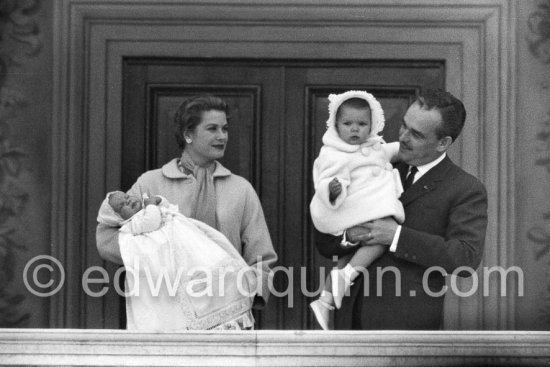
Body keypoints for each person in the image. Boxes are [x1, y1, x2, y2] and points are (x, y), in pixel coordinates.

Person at [96, 95, 278, 330]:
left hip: (226, 319)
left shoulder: (240, 189)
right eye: (212, 129)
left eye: (225, 129)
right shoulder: (150, 185)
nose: (222, 136)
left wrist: (246, 294)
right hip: (166, 314)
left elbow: (262, 257)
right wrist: (157, 255)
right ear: (187, 134)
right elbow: (106, 238)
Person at [315, 89, 488, 330]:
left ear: (443, 143)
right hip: (348, 319)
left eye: (416, 134)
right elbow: (323, 243)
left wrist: (396, 236)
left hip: (408, 328)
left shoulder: (464, 188)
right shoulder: (371, 162)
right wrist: (350, 236)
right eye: (404, 126)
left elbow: (465, 258)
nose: (403, 137)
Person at [309, 91, 404, 330]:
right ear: (336, 125)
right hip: (351, 209)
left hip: (365, 209)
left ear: (371, 126)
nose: (355, 130)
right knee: (381, 237)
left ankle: (325, 299)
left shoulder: (375, 147)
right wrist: (332, 189)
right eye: (348, 124)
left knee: (359, 246)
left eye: (362, 124)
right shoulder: (332, 151)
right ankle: (346, 275)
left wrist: (407, 148)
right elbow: (324, 178)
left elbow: (395, 150)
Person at [97, 191, 258, 331]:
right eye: (123, 205)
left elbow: (167, 205)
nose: (129, 201)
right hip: (181, 256)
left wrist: (158, 200)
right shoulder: (133, 224)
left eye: (127, 197)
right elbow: (151, 221)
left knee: (217, 269)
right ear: (118, 218)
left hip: (192, 246)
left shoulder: (145, 208)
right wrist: (152, 205)